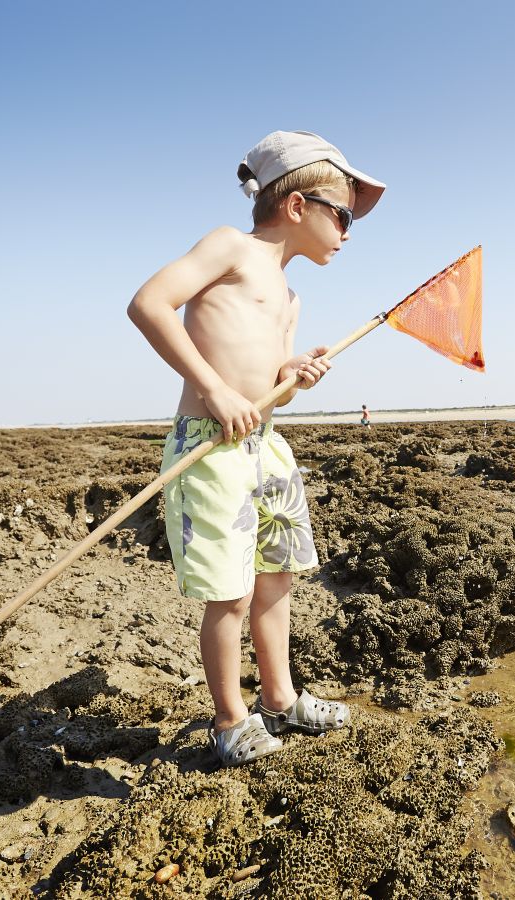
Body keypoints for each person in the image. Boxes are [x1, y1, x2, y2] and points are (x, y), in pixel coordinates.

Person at [127, 130, 385, 766]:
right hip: (210, 446)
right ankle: (230, 719)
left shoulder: (292, 295)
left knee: (277, 579)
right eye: (343, 214)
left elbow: (273, 393)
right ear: (297, 206)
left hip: (266, 445)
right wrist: (212, 389)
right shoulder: (230, 247)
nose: (349, 232)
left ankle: (280, 698)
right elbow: (149, 303)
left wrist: (292, 376)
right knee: (231, 592)